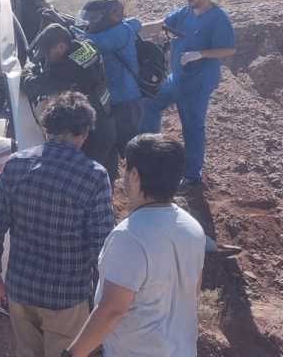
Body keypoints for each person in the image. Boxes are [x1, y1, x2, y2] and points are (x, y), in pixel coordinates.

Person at [0, 92, 114, 357]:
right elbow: (101, 246)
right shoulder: (94, 176)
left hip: (20, 289)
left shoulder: (15, 164)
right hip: (66, 298)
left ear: (48, 127)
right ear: (84, 133)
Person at [65, 134, 206, 357]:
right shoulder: (193, 228)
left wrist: (72, 354)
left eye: (126, 170)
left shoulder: (129, 237)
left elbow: (112, 310)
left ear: (134, 175)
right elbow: (192, 292)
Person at [139, 0, 237, 195]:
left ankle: (192, 177)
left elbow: (229, 49)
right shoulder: (184, 13)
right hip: (178, 78)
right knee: (151, 104)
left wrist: (200, 54)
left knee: (192, 126)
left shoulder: (218, 18)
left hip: (198, 82)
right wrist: (131, 28)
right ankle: (150, 153)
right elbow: (160, 25)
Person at [21, 24, 118, 181]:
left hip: (91, 132)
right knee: (105, 175)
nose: (47, 58)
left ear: (60, 46)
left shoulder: (68, 67)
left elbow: (34, 86)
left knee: (85, 179)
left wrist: (26, 72)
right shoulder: (86, 45)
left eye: (48, 53)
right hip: (107, 118)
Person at [79, 0, 145, 160]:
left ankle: (140, 182)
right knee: (110, 148)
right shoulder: (119, 27)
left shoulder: (118, 33)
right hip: (115, 98)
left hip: (125, 101)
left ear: (111, 16)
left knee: (131, 150)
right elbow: (135, 23)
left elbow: (88, 45)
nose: (90, 23)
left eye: (95, 18)